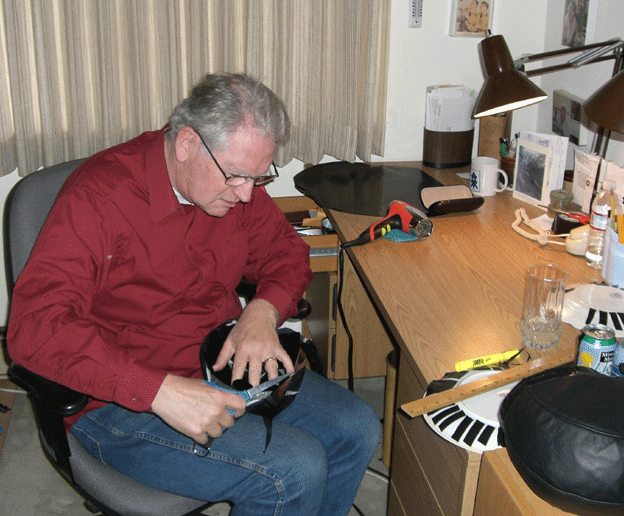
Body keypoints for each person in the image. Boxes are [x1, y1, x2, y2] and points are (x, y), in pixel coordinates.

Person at [7, 73, 380, 516]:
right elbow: (34, 329)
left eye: (259, 177)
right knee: (294, 469)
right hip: (117, 401)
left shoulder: (233, 183)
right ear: (186, 144)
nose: (246, 195)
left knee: (356, 428)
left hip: (216, 363)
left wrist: (262, 312)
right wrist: (157, 391)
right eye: (237, 176)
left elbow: (286, 251)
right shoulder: (98, 198)